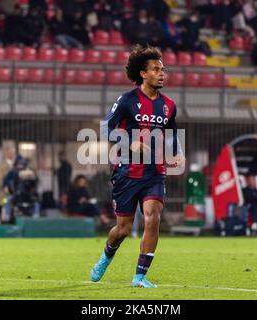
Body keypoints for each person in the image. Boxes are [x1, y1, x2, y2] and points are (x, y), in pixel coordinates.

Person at [90, 45, 185, 288]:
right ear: (143, 74)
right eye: (156, 69)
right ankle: (106, 255)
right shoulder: (127, 100)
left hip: (155, 172)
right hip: (127, 172)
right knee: (122, 229)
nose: (162, 73)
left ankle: (140, 276)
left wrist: (179, 154)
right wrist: (129, 142)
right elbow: (105, 128)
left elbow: (172, 134)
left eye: (163, 69)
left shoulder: (169, 106)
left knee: (153, 217)